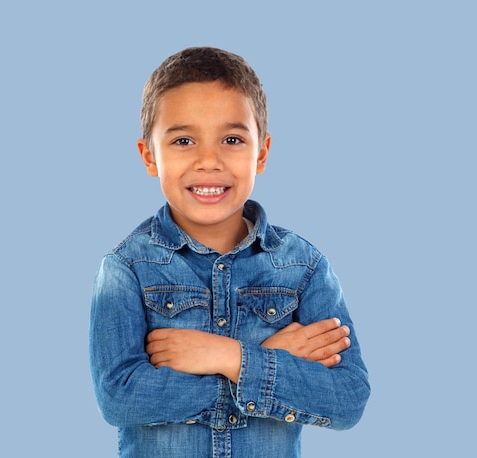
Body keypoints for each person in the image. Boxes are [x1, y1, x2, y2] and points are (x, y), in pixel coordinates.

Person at [89, 46, 370, 457]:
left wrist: (227, 355)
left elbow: (347, 399)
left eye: (232, 139)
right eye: (184, 140)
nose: (209, 160)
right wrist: (266, 362)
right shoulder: (126, 269)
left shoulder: (303, 267)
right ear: (150, 155)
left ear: (262, 152)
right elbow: (121, 398)